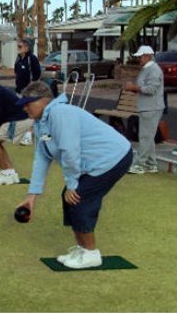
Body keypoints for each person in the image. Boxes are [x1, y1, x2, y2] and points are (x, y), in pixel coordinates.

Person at [16, 81, 133, 269]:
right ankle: (82, 249)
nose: (24, 107)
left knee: (79, 197)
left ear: (43, 101)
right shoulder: (41, 123)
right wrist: (32, 196)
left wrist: (72, 184)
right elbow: (42, 157)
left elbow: (70, 151)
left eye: (28, 102)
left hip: (114, 156)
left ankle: (91, 254)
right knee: (70, 197)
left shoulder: (60, 113)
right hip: (95, 162)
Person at [124, 45, 165, 174]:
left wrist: (133, 88)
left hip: (151, 107)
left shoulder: (154, 70)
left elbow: (151, 89)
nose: (138, 59)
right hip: (147, 107)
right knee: (148, 137)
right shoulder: (147, 69)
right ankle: (151, 164)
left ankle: (140, 164)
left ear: (147, 56)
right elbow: (145, 87)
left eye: (140, 57)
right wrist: (134, 88)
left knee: (145, 137)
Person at [14, 39, 41, 145]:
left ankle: (29, 136)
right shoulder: (19, 59)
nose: (18, 49)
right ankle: (24, 133)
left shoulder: (32, 59)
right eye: (18, 47)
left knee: (30, 113)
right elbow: (16, 72)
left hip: (30, 91)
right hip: (19, 90)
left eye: (20, 47)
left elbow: (37, 74)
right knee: (21, 112)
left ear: (26, 48)